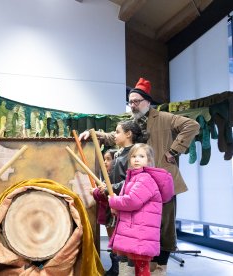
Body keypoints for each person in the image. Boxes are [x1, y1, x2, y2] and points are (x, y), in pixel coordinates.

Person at [80, 77, 200, 275]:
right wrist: (96, 135)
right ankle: (139, 268)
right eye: (130, 101)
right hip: (140, 184)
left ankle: (160, 269)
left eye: (137, 101)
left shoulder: (163, 118)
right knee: (142, 228)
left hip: (162, 182)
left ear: (148, 101)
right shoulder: (133, 122)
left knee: (164, 228)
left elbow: (192, 126)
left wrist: (173, 151)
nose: (133, 105)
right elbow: (118, 135)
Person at [108, 143, 174, 276]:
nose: (136, 159)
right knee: (139, 267)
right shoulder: (133, 177)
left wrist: (113, 201)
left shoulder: (144, 179)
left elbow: (132, 201)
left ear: (149, 160)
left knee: (142, 268)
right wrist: (116, 206)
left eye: (141, 156)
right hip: (138, 231)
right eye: (133, 156)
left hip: (141, 232)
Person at [91, 120, 147, 276]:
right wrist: (105, 186)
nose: (114, 135)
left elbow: (133, 179)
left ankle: (124, 270)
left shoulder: (134, 154)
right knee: (117, 240)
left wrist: (113, 188)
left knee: (127, 241)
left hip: (127, 203)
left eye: (117, 132)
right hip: (116, 201)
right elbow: (114, 178)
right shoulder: (118, 153)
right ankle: (117, 269)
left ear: (128, 134)